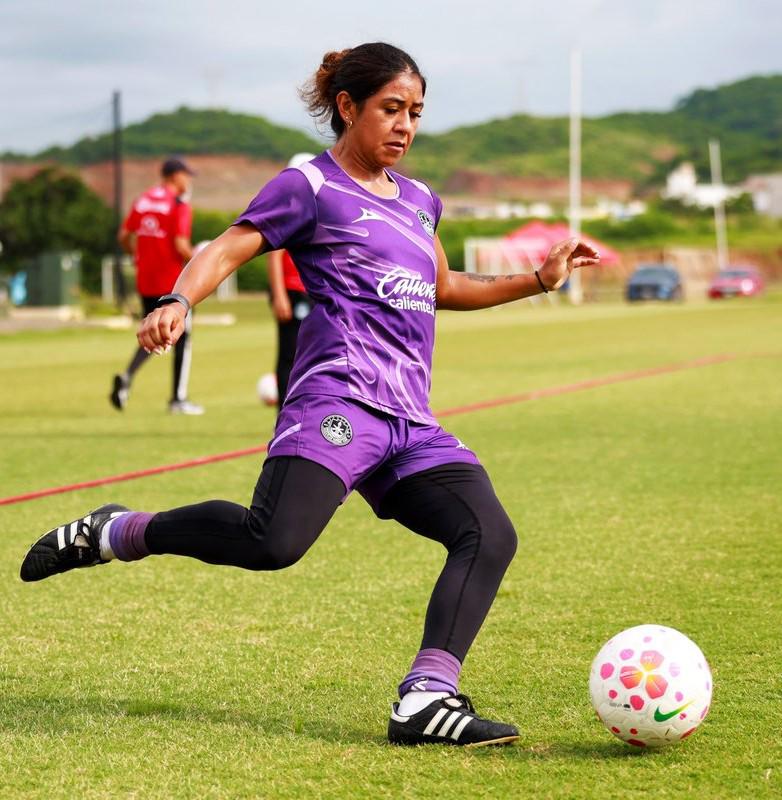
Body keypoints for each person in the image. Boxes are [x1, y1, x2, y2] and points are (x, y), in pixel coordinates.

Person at [21, 43, 599, 747]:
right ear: (348, 107)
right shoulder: (309, 186)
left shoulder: (421, 201)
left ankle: (425, 700)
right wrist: (178, 298)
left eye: (415, 112)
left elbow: (445, 288)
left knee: (487, 534)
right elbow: (229, 247)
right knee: (273, 543)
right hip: (339, 402)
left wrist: (537, 280)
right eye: (391, 108)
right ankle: (117, 531)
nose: (405, 126)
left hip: (410, 420)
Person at [110, 157, 204, 415]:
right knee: (182, 339)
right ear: (175, 176)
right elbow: (180, 245)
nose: (188, 181)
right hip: (174, 285)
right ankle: (178, 399)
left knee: (151, 332)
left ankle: (127, 376)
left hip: (146, 280)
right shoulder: (178, 205)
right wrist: (201, 259)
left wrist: (135, 256)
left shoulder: (142, 200)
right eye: (187, 175)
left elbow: (123, 236)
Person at [267, 153, 316, 410]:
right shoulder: (288, 208)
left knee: (312, 356)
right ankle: (285, 415)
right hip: (292, 291)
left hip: (311, 291)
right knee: (290, 354)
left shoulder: (312, 206)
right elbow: (274, 254)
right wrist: (279, 295)